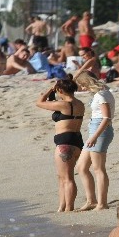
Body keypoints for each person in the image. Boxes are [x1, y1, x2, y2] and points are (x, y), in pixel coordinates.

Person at [35, 77, 85, 212]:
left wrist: (50, 89)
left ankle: (69, 207)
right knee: (62, 177)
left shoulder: (63, 104)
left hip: (65, 143)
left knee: (67, 178)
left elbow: (39, 103)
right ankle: (62, 206)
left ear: (60, 90)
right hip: (77, 141)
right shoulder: (80, 104)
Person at [74, 71, 115, 211]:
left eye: (83, 85)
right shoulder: (102, 92)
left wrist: (94, 136)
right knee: (81, 166)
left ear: (88, 82)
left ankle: (102, 203)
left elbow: (107, 118)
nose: (83, 88)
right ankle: (91, 200)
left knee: (98, 168)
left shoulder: (102, 95)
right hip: (95, 130)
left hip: (100, 131)